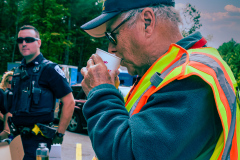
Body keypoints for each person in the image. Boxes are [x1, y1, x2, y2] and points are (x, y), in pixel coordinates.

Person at [80, 0, 240, 159]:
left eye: (112, 36)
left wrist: (102, 93)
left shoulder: (192, 78)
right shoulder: (165, 73)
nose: (111, 48)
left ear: (147, 22)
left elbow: (129, 153)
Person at [8, 25, 75, 160]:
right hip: (16, 139)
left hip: (38, 141)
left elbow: (69, 102)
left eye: (28, 39)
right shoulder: (18, 71)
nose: (24, 43)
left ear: (38, 42)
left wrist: (60, 134)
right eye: (20, 40)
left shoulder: (50, 69)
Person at [0, 71, 13, 140]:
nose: (11, 84)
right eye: (9, 82)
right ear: (5, 81)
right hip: (3, 127)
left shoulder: (12, 94)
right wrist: (9, 121)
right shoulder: (1, 92)